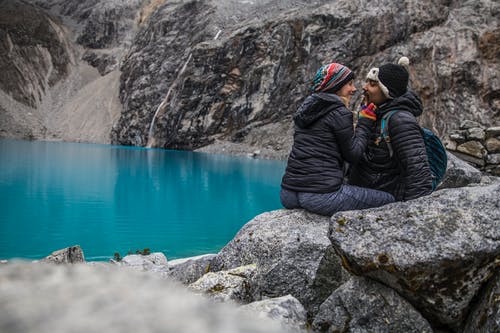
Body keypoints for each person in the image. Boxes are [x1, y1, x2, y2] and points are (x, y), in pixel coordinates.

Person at [280, 62, 395, 216]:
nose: (354, 89)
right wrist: (365, 122)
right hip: (320, 196)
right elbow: (354, 155)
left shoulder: (307, 109)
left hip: (289, 194)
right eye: (349, 84)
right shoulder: (339, 112)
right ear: (336, 85)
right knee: (388, 199)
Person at [348, 57, 433, 201]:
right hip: (367, 191)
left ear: (388, 91)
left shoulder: (400, 120)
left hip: (387, 199)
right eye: (367, 81)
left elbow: (418, 170)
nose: (364, 87)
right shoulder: (375, 113)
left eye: (373, 84)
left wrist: (413, 213)